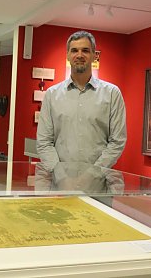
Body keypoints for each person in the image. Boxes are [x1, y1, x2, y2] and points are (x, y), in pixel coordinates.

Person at [36, 30, 127, 175]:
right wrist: (59, 174)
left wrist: (93, 174)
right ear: (67, 55)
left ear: (94, 56)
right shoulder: (52, 95)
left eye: (85, 50)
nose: (79, 55)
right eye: (74, 51)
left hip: (98, 186)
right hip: (60, 185)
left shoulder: (112, 94)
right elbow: (44, 142)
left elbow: (117, 141)